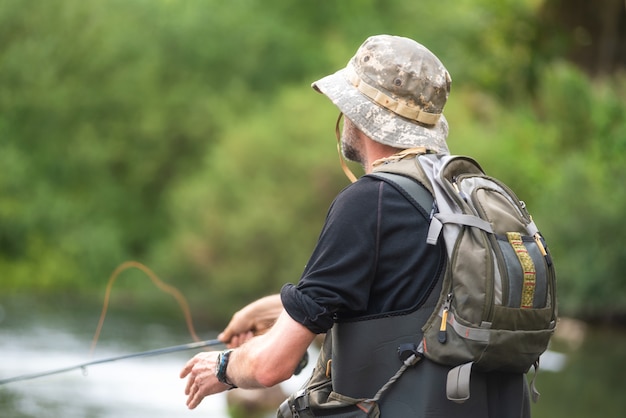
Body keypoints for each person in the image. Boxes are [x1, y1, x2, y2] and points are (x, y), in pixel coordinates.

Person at [180, 34, 531, 417]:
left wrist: (222, 367)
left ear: (358, 114)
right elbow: (414, 308)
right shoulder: (471, 198)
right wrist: (275, 311)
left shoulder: (371, 201)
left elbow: (270, 367)